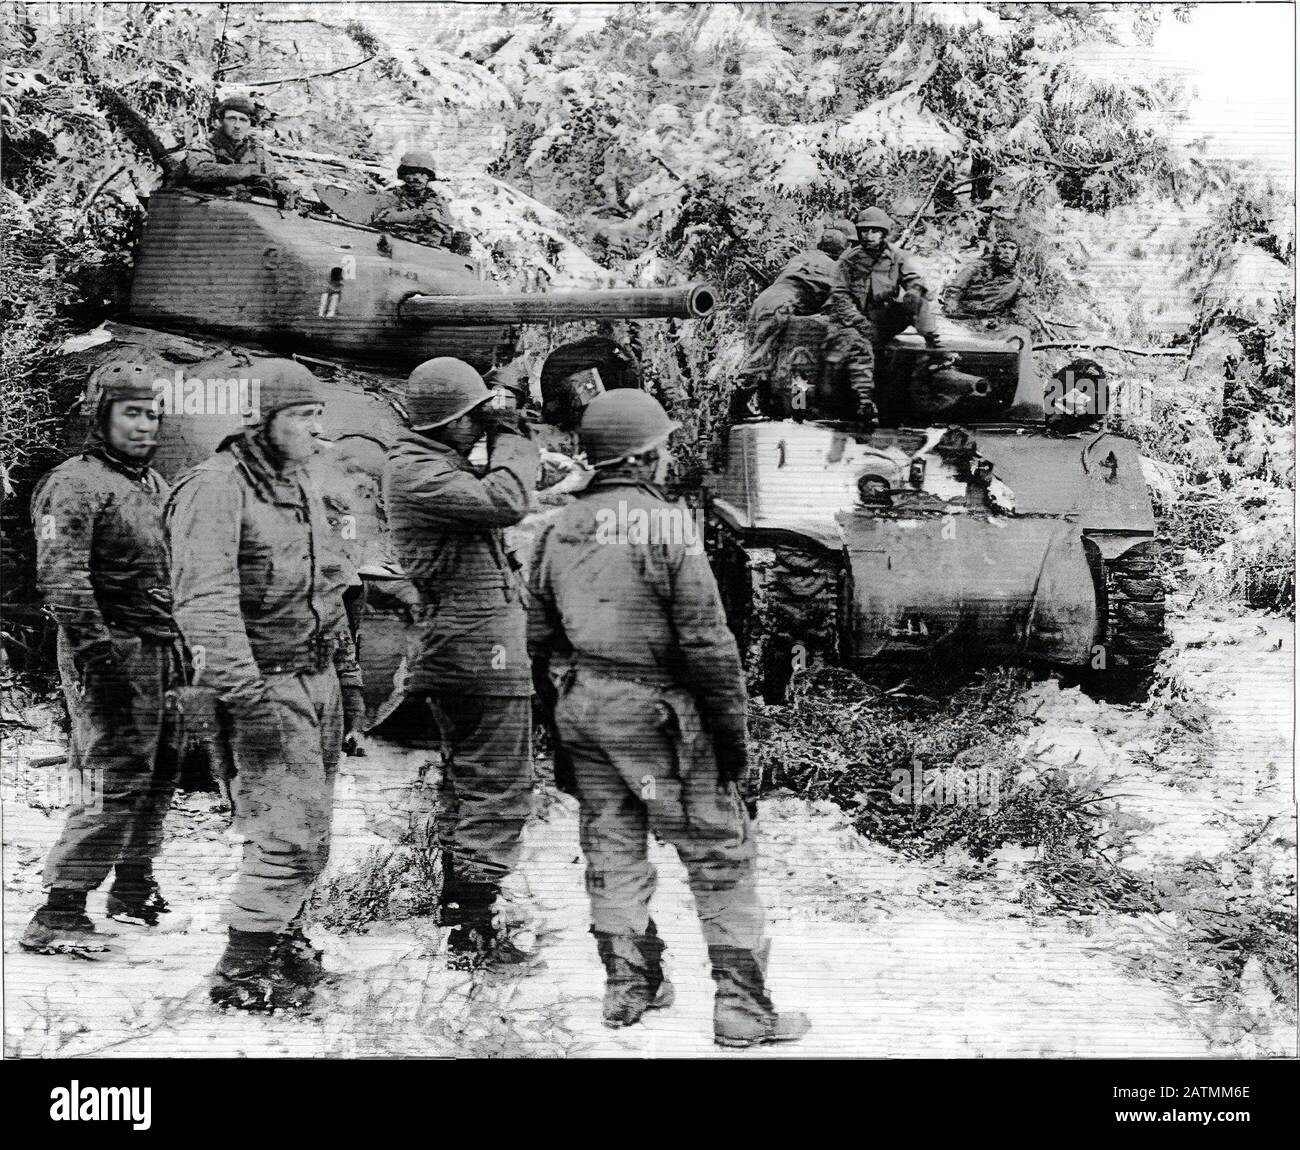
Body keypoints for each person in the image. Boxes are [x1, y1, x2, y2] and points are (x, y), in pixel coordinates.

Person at [528, 389, 811, 1048]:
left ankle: (629, 986)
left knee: (611, 842)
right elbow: (709, 644)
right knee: (719, 851)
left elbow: (537, 636)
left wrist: (559, 723)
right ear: (646, 456)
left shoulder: (556, 527)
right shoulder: (665, 526)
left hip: (585, 707)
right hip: (659, 718)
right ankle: (742, 1009)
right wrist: (732, 742)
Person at [165, 359, 365, 1011]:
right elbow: (206, 605)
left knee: (313, 825)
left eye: (316, 416)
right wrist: (244, 699)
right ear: (262, 420)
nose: (315, 429)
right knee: (282, 829)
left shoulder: (302, 482)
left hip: (317, 677)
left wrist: (349, 677)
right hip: (263, 683)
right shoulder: (215, 488)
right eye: (301, 417)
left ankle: (283, 941)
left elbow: (331, 582)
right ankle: (242, 969)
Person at [382, 357, 540, 967]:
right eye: (472, 415)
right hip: (476, 653)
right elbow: (506, 500)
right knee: (499, 788)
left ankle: (464, 914)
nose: (479, 423)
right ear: (448, 419)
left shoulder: (434, 465)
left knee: (471, 784)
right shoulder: (417, 471)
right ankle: (473, 933)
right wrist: (512, 435)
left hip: (473, 646)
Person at [21, 362, 181, 955]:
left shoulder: (152, 485)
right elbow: (61, 578)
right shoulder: (73, 483)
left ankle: (132, 884)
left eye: (154, 415)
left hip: (159, 649)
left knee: (159, 768)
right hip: (107, 648)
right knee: (106, 774)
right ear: (100, 414)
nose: (146, 427)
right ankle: (60, 906)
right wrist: (98, 657)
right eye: (132, 413)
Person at [825, 206, 941, 424]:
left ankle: (936, 346)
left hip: (883, 317)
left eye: (874, 231)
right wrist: (859, 322)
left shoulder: (896, 257)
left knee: (916, 300)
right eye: (864, 231)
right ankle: (865, 402)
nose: (869, 236)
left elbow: (914, 280)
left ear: (884, 233)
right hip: (854, 319)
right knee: (859, 348)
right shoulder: (848, 260)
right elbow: (840, 297)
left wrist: (915, 290)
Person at [737, 221, 856, 388]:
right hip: (783, 308)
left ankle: (769, 404)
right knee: (762, 364)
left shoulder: (803, 256)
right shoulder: (834, 268)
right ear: (843, 244)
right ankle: (745, 401)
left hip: (763, 302)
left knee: (769, 361)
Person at [177, 93, 298, 207]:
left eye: (243, 120)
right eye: (231, 119)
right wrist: (243, 171)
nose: (237, 126)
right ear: (218, 122)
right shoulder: (206, 144)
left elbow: (270, 173)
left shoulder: (256, 149)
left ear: (250, 123)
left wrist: (282, 185)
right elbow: (196, 170)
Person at [369, 150, 456, 248]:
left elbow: (447, 232)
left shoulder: (438, 201)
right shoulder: (390, 196)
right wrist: (416, 216)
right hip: (395, 246)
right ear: (403, 175)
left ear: (429, 177)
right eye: (412, 173)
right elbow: (381, 219)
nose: (417, 178)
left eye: (423, 173)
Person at [941, 238, 1029, 324]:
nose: (1007, 251)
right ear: (997, 250)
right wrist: (951, 304)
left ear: (1017, 253)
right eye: (1003, 246)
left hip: (991, 322)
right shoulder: (976, 268)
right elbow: (955, 288)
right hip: (963, 317)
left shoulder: (1017, 281)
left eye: (1012, 248)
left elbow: (1021, 305)